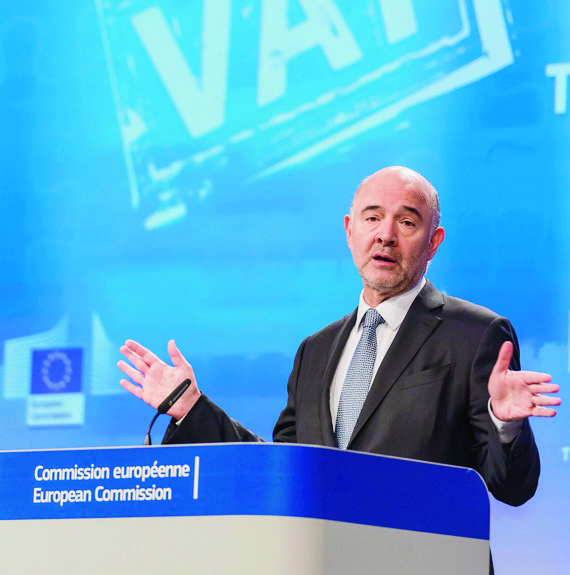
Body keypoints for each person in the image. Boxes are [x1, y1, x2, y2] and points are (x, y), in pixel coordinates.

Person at [118, 166, 560, 508]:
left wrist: (506, 424)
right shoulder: (316, 350)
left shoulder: (476, 335)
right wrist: (192, 409)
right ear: (350, 230)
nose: (386, 234)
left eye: (407, 222)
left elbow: (513, 488)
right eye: (373, 218)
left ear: (434, 241)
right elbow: (284, 471)